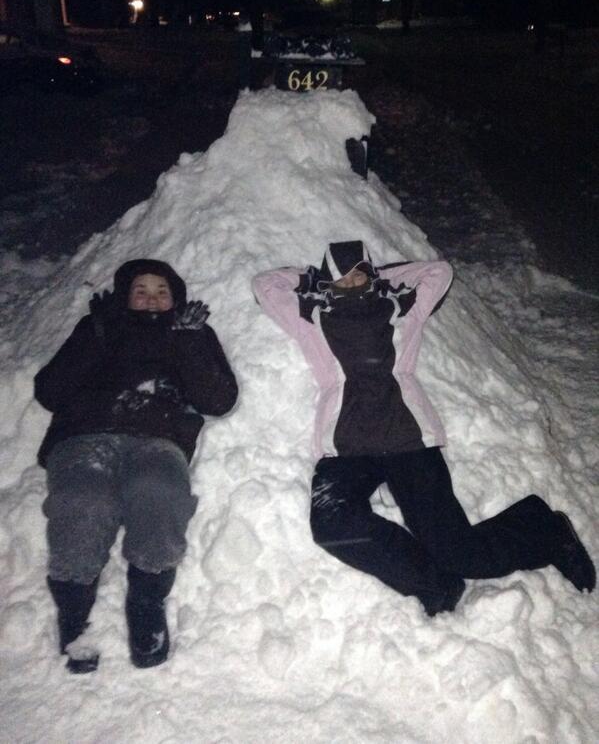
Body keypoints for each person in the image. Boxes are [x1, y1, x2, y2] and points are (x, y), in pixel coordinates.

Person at [252, 240, 595, 617]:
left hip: (408, 441)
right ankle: (436, 584)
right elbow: (265, 285)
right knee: (332, 523)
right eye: (341, 279)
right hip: (346, 448)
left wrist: (382, 275)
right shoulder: (313, 319)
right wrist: (312, 277)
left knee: (461, 553)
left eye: (359, 275)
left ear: (371, 275)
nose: (351, 285)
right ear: (328, 283)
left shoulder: (400, 311)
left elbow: (439, 272)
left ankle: (546, 530)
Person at [35, 259, 238, 672]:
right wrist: (97, 334)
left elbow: (218, 401)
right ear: (125, 295)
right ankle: (76, 612)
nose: (151, 298)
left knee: (160, 494)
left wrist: (188, 342)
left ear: (175, 297)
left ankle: (146, 602)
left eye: (161, 290)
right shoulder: (99, 328)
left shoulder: (191, 333)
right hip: (85, 435)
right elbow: (49, 391)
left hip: (158, 438)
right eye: (140, 289)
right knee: (82, 500)